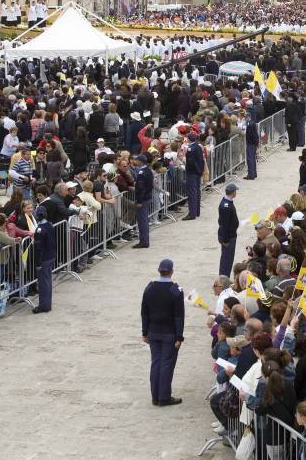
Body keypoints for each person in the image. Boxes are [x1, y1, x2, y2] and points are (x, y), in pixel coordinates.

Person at [141, 257, 184, 407]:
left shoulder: (150, 288)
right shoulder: (175, 290)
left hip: (153, 331)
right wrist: (179, 336)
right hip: (169, 333)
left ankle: (155, 396)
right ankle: (164, 397)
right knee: (166, 364)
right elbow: (179, 316)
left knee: (156, 363)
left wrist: (144, 332)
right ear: (171, 271)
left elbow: (144, 312)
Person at [31, 206, 56, 314]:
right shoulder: (49, 225)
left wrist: (38, 262)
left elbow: (38, 248)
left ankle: (44, 305)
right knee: (47, 281)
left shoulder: (39, 230)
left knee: (43, 283)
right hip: (50, 255)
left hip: (44, 258)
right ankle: (46, 303)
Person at [217, 182, 238, 278]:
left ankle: (225, 276)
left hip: (230, 235)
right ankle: (224, 278)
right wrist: (225, 240)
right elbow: (224, 224)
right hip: (228, 237)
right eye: (235, 191)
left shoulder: (227, 203)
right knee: (227, 258)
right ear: (233, 192)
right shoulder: (226, 206)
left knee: (228, 258)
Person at [131, 154, 152, 248]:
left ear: (140, 161)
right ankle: (144, 240)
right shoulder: (148, 170)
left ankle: (144, 241)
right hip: (147, 198)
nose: (135, 161)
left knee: (142, 221)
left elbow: (141, 188)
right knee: (144, 220)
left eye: (137, 160)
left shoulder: (141, 173)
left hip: (143, 200)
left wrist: (139, 201)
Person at [182, 131, 204, 221]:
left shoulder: (191, 148)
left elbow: (191, 162)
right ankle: (197, 211)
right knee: (197, 192)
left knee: (192, 193)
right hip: (198, 172)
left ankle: (192, 213)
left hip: (192, 173)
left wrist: (185, 155)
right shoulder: (198, 146)